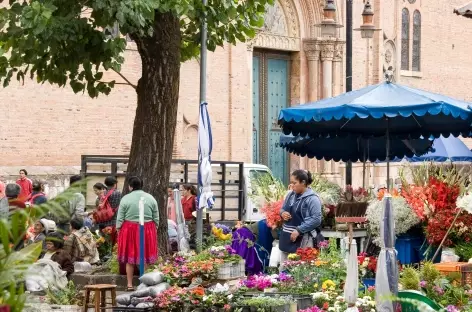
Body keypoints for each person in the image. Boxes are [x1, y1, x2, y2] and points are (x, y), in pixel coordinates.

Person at [116, 176, 159, 291]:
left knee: (129, 258)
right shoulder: (151, 198)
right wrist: (154, 228)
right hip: (148, 228)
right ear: (142, 185)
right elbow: (156, 217)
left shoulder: (125, 198)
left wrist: (118, 228)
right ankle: (144, 283)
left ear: (130, 186)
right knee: (144, 257)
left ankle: (129, 285)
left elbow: (120, 217)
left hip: (129, 228)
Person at [279, 170, 322, 268]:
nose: (292, 185)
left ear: (303, 183)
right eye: (291, 183)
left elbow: (316, 219)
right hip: (286, 237)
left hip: (304, 240)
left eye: (295, 183)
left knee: (301, 269)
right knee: (285, 268)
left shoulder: (312, 199)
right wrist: (282, 213)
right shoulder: (290, 195)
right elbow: (282, 208)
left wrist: (299, 229)